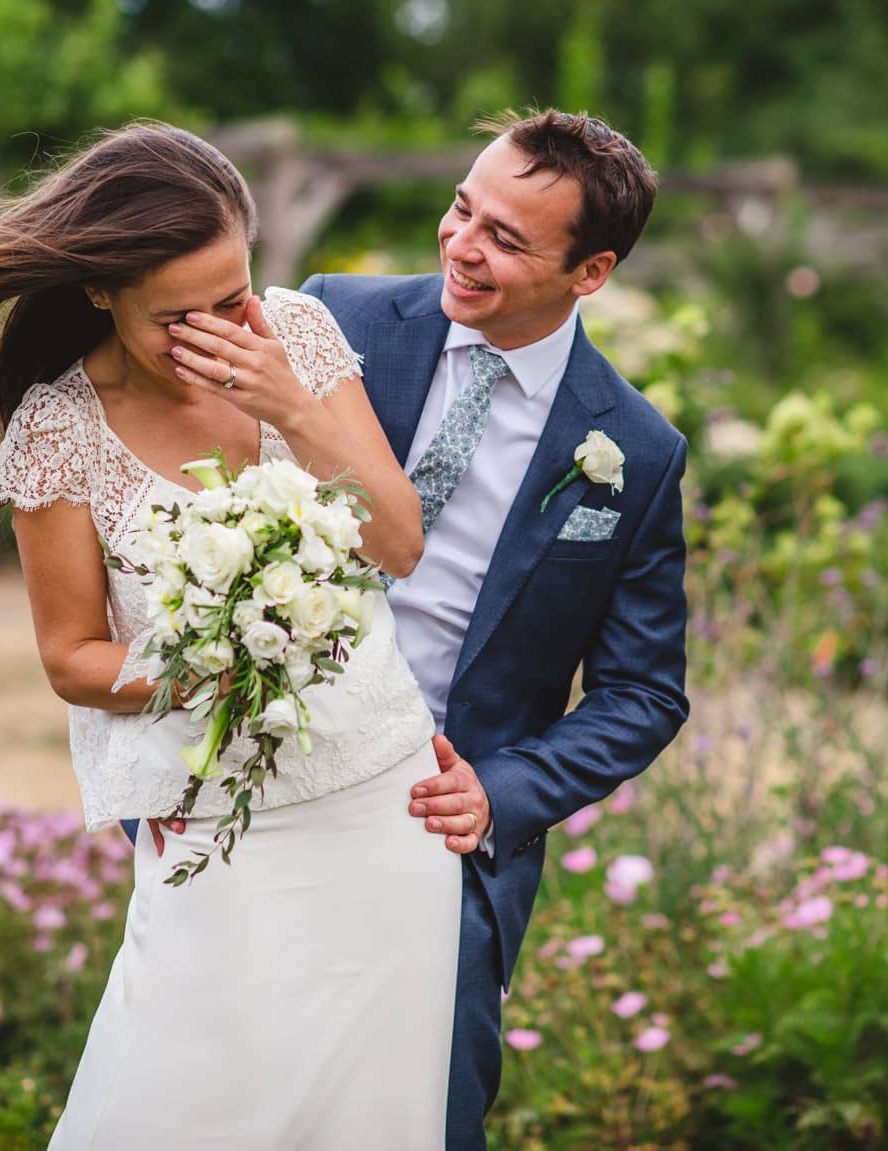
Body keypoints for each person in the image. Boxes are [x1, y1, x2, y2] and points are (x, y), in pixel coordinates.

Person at [0, 122, 460, 1148]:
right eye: (175, 316)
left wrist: (290, 405)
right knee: (171, 1103)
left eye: (232, 298)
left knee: (369, 1116)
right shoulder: (61, 429)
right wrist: (213, 659)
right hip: (217, 827)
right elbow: (71, 658)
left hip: (380, 809)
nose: (211, 333)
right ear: (100, 292)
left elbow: (396, 540)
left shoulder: (292, 340)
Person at [305, 109, 691, 1150]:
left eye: (505, 239)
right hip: (272, 784)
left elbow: (644, 693)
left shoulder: (634, 451)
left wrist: (500, 793)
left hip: (440, 830)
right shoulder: (332, 322)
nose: (459, 246)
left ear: (590, 272)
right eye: (460, 209)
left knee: (420, 1122)